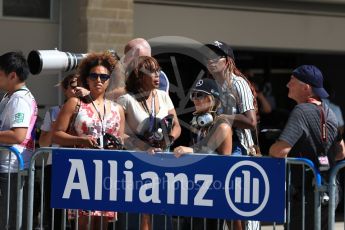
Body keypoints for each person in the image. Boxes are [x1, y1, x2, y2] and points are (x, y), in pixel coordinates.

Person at [53, 52, 125, 229]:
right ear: (87, 78)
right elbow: (56, 134)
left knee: (101, 224)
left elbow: (120, 141)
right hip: (80, 172)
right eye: (94, 75)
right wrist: (81, 140)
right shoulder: (75, 103)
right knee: (82, 224)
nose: (98, 80)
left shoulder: (118, 109)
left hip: (107, 172)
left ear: (110, 80)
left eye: (103, 76)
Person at [269, 65, 345, 230]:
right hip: (330, 190)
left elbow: (279, 152)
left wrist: (272, 146)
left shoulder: (301, 111)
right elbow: (341, 153)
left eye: (292, 81)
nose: (287, 85)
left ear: (306, 87)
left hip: (306, 193)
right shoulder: (329, 111)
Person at [117, 56, 181, 230]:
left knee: (159, 207)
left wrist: (170, 139)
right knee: (141, 211)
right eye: (151, 71)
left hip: (162, 159)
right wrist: (144, 147)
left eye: (158, 70)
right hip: (136, 162)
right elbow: (119, 134)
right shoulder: (126, 99)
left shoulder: (163, 95)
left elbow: (176, 126)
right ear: (139, 75)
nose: (157, 74)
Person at [173, 78, 243, 230]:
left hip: (217, 189)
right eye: (193, 95)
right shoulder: (197, 123)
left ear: (212, 99)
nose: (195, 99)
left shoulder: (222, 124)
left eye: (200, 95)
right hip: (198, 187)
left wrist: (191, 150)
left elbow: (213, 152)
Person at [0, 52, 38, 229]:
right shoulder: (11, 96)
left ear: (12, 75)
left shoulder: (19, 99)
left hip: (12, 169)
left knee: (9, 222)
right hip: (10, 168)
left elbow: (18, 135)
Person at [204, 41, 258, 156]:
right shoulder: (210, 85)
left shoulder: (238, 83)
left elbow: (251, 122)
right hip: (215, 144)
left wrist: (223, 118)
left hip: (238, 146)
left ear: (228, 61)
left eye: (215, 57)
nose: (210, 60)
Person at [38, 73, 78, 229]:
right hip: (56, 165)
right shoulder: (54, 111)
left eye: (81, 87)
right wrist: (58, 124)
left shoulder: (90, 111)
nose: (77, 91)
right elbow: (42, 143)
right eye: (73, 87)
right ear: (65, 90)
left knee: (79, 214)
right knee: (56, 214)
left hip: (80, 165)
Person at [104, 38, 170, 100]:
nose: (125, 60)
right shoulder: (123, 73)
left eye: (129, 56)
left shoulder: (159, 76)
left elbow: (155, 99)